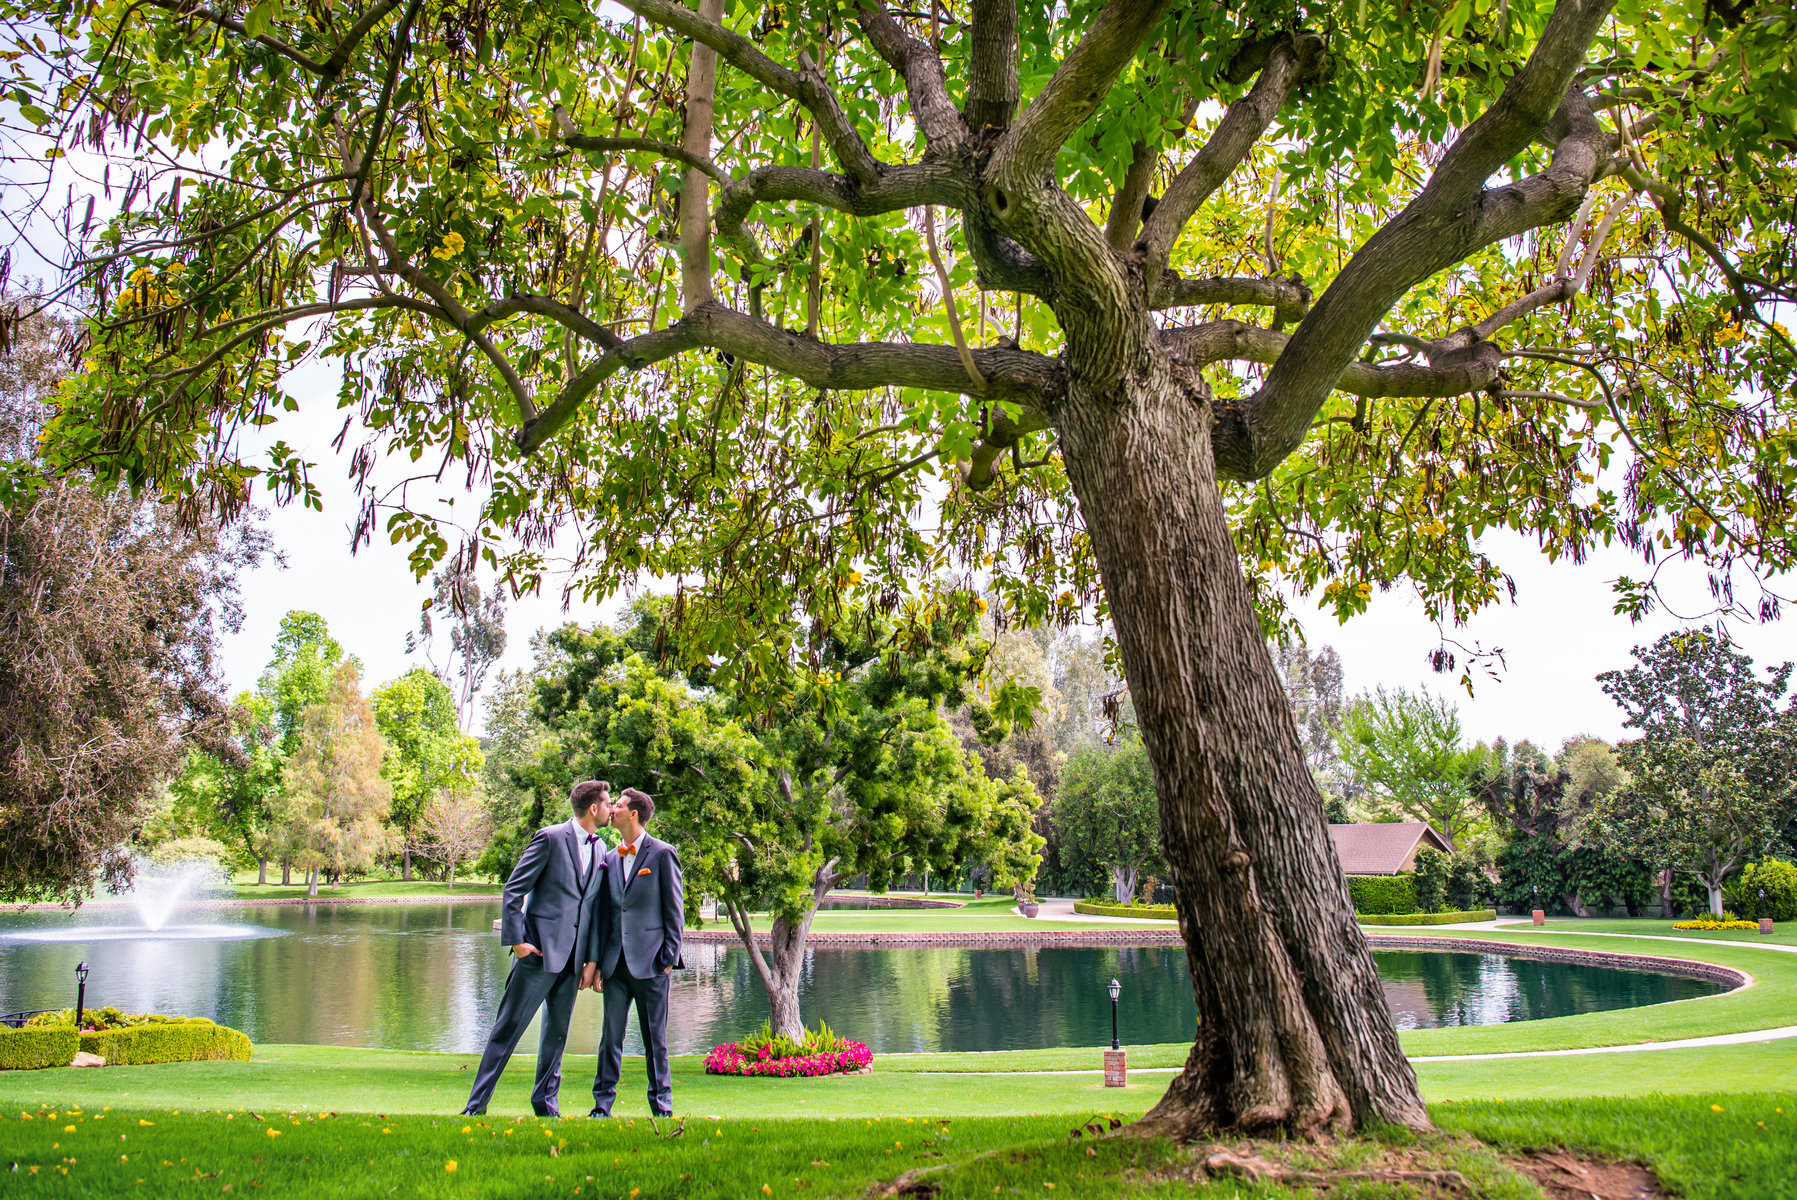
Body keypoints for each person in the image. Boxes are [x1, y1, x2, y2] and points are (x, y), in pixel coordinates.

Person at [462, 779, 612, 1118]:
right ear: (593, 808)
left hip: (572, 963)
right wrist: (517, 943)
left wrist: (591, 959)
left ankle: (546, 1107)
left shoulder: (601, 848)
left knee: (555, 1040)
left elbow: (595, 910)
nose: (611, 809)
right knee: (507, 1031)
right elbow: (513, 890)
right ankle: (476, 1106)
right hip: (538, 957)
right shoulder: (550, 838)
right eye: (607, 803)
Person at [584, 787, 684, 1118]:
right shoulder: (609, 859)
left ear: (634, 814)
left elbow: (674, 911)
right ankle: (602, 1105)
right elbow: (603, 917)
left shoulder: (662, 854)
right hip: (615, 966)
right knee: (610, 1037)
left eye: (619, 806)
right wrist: (597, 961)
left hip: (653, 964)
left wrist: (668, 960)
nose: (612, 810)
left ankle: (662, 1105)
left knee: (655, 1040)